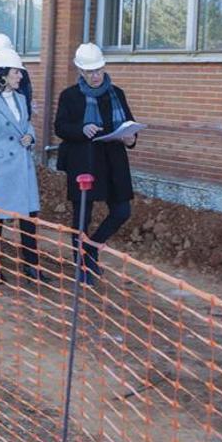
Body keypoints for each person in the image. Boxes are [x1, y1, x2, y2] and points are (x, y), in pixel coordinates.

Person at [55, 43, 137, 284]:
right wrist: (81, 129)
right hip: (85, 162)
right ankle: (81, 263)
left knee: (122, 211)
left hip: (113, 162)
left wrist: (131, 137)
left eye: (99, 70)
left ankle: (91, 249)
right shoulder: (70, 96)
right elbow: (60, 127)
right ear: (80, 71)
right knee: (82, 216)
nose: (96, 75)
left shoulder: (116, 93)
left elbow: (129, 123)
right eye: (90, 72)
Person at [0, 48, 51, 285]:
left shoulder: (21, 99)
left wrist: (31, 137)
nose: (21, 77)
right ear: (3, 75)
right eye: (17, 72)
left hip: (22, 167)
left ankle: (32, 266)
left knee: (28, 219)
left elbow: (26, 126)